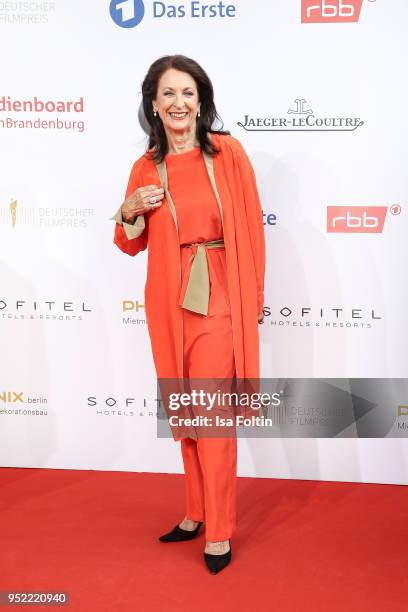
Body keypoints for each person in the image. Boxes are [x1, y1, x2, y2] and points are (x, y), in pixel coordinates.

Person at [111, 54, 266, 574]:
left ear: (202, 101)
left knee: (214, 417)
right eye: (168, 94)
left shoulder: (228, 153)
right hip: (168, 300)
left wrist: (251, 301)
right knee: (187, 413)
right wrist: (130, 208)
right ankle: (196, 512)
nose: (179, 103)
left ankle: (219, 531)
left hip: (219, 296)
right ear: (153, 104)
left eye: (188, 93)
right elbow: (128, 243)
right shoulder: (145, 166)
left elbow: (253, 230)